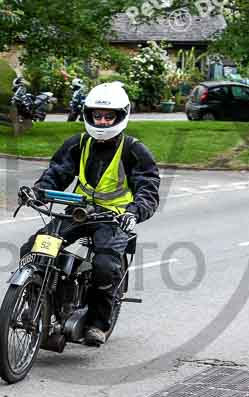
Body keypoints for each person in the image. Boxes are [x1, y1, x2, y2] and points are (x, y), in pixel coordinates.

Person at [18, 82, 160, 345]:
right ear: (88, 115)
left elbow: (148, 188)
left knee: (105, 267)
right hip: (79, 212)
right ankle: (36, 303)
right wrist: (38, 192)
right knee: (32, 248)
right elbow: (56, 174)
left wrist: (134, 212)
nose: (103, 122)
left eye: (109, 117)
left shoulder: (133, 150)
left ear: (121, 116)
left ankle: (97, 323)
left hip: (114, 218)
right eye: (97, 116)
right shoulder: (78, 143)